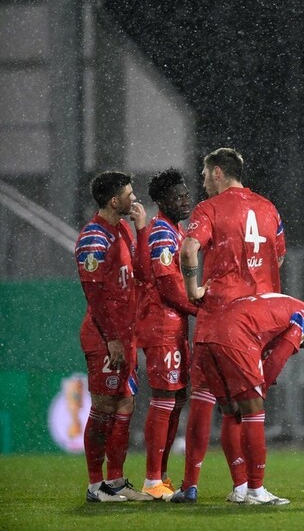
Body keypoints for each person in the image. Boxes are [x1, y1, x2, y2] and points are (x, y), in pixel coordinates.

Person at [171, 148, 286, 504]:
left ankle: (201, 484)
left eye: (205, 174)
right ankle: (253, 489)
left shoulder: (209, 209)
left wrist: (193, 289)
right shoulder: (268, 208)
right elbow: (279, 254)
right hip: (255, 320)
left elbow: (188, 250)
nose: (203, 181)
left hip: (215, 318)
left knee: (212, 402)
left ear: (218, 172)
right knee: (249, 407)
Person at [193, 292, 304, 505]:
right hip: (236, 335)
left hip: (208, 334)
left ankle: (240, 488)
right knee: (253, 411)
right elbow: (279, 356)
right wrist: (261, 389)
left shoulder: (281, 303)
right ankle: (256, 491)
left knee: (231, 412)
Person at [74, 170, 151, 502]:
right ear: (114, 200)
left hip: (125, 335)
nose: (134, 198)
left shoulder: (121, 229)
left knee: (125, 403)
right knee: (104, 406)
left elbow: (142, 273)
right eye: (129, 193)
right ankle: (95, 485)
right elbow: (93, 295)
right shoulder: (93, 237)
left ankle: (116, 482)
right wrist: (111, 338)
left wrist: (142, 229)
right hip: (104, 338)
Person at [133, 168, 199, 500]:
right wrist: (200, 307)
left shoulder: (176, 230)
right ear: (162, 200)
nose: (185, 201)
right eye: (178, 196)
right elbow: (169, 286)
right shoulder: (161, 232)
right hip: (161, 326)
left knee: (177, 400)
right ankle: (151, 480)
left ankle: (160, 475)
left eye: (186, 195)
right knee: (163, 400)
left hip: (174, 326)